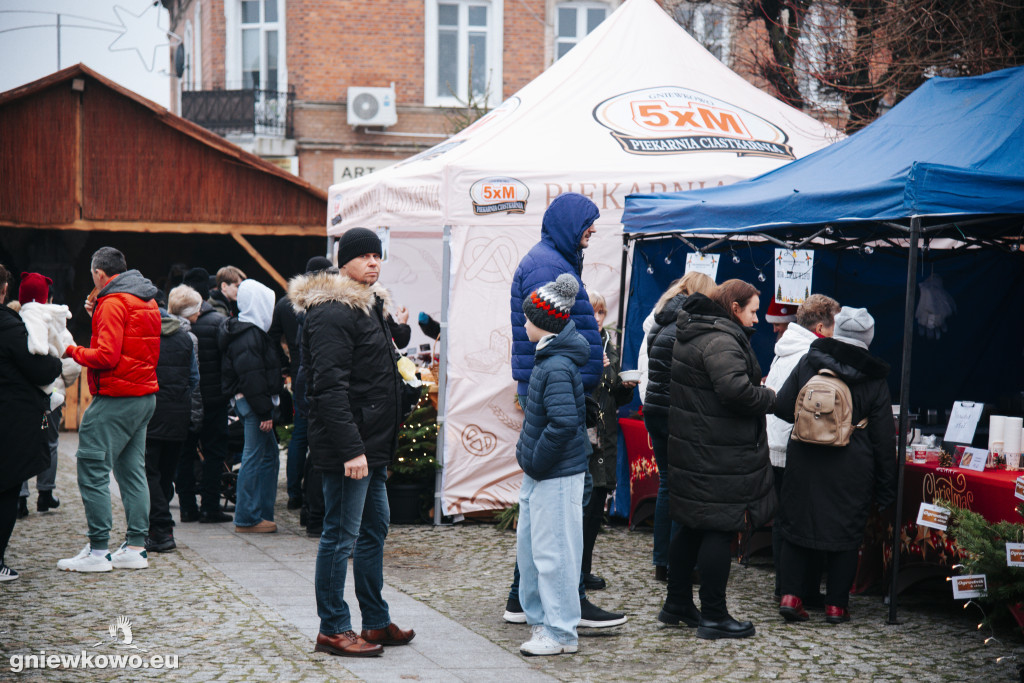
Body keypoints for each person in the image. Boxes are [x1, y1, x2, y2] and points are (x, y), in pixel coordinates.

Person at [291, 227, 414, 658]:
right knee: (339, 536)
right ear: (344, 261)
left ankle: (375, 622)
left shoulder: (368, 305)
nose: (373, 262)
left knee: (373, 530)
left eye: (377, 256)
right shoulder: (332, 310)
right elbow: (328, 388)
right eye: (364, 256)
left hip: (372, 444)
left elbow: (374, 373)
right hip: (350, 447)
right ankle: (333, 628)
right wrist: (351, 450)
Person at [506, 192, 625, 629]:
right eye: (588, 229)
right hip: (565, 386)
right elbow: (549, 323)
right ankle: (560, 608)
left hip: (565, 382)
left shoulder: (554, 259)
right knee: (563, 506)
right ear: (570, 225)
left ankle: (526, 599)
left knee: (552, 507)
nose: (591, 236)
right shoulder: (548, 265)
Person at [660, 279, 776, 639]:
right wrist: (770, 397)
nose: (757, 319)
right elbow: (734, 390)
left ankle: (676, 603)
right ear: (735, 308)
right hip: (715, 452)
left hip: (699, 447)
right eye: (754, 311)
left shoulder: (698, 331)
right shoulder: (720, 338)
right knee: (717, 528)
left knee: (693, 527)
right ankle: (713, 616)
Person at [774, 307, 896, 624]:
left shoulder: (809, 361)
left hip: (804, 457)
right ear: (868, 338)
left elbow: (785, 408)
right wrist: (886, 488)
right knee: (845, 534)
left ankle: (790, 597)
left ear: (837, 331)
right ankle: (836, 607)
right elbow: (884, 440)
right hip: (851, 465)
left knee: (796, 526)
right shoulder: (875, 378)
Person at [58, 247, 161, 573]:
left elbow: (106, 356)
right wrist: (97, 318)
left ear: (99, 274)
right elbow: (130, 342)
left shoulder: (112, 302)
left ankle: (98, 550)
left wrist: (72, 350)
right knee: (132, 473)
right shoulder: (147, 299)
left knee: (92, 469)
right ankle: (135, 547)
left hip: (117, 397)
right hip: (144, 395)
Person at [516, 274, 591, 656]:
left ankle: (561, 633)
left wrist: (536, 460)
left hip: (555, 473)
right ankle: (545, 623)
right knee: (536, 550)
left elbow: (562, 424)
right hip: (544, 472)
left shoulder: (557, 365)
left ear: (544, 323)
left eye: (528, 318)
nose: (524, 323)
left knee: (556, 552)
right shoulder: (550, 359)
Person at [642, 272, 717, 583]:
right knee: (681, 489)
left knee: (667, 486)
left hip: (655, 408)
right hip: (675, 410)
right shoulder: (687, 325)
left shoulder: (661, 319)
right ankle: (678, 565)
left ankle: (663, 562)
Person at [765, 294, 840, 599]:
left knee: (784, 520)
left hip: (775, 442)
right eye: (833, 326)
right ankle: (795, 589)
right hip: (792, 445)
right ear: (821, 327)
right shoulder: (809, 353)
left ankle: (785, 586)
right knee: (797, 522)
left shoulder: (786, 347)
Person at [0, 264, 63, 581]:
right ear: (3, 291)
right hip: (8, 418)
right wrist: (56, 358)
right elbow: (42, 369)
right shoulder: (9, 327)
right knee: (6, 488)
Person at [582, 290, 636, 590]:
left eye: (601, 313)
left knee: (597, 503)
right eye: (592, 312)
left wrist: (626, 387)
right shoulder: (579, 344)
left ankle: (585, 567)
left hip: (605, 435)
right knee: (584, 505)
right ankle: (576, 570)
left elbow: (614, 392)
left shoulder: (608, 346)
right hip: (586, 437)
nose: (597, 318)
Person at [220, 279, 283, 533]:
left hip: (251, 403)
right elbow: (252, 376)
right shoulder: (250, 334)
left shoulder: (247, 331)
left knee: (268, 457)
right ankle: (247, 517)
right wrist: (265, 410)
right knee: (255, 458)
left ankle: (260, 513)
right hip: (255, 405)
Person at [143, 286, 203, 553]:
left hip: (151, 411)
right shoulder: (185, 338)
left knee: (148, 472)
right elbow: (194, 379)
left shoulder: (144, 336)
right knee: (166, 473)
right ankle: (159, 526)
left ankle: (161, 529)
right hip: (179, 412)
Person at [17, 272, 80, 515]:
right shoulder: (57, 327)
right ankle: (45, 493)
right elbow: (73, 363)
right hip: (50, 398)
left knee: (20, 442)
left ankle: (20, 498)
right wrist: (62, 383)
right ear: (47, 298)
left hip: (22, 398)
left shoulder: (16, 323)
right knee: (50, 443)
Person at [178, 268, 233, 524]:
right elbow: (228, 363)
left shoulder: (176, 324)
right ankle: (210, 506)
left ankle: (187, 506)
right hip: (214, 400)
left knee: (185, 453)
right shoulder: (219, 322)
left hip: (185, 400)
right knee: (214, 454)